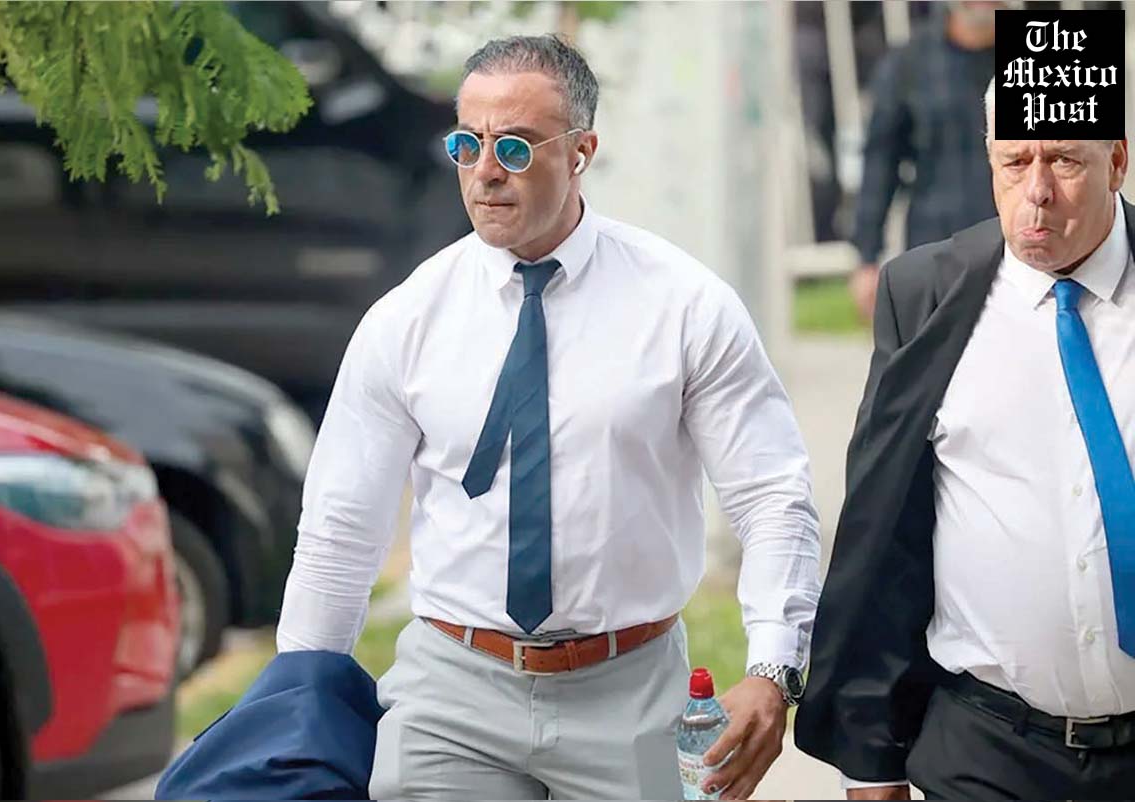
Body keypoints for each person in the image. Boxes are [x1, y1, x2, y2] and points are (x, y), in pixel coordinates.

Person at [275, 34, 822, 801]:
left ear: (581, 151)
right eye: (467, 145)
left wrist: (771, 669)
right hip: (450, 696)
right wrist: (292, 710)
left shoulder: (685, 307)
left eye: (515, 146)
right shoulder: (406, 319)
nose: (486, 171)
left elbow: (772, 498)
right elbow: (339, 530)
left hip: (632, 692)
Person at [796, 77, 1135, 799]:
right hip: (988, 746)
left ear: (1117, 162)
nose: (1037, 191)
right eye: (1015, 162)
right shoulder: (925, 294)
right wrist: (871, 755)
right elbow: (884, 528)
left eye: (1064, 160)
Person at [848, 1, 1005, 321]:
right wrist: (867, 258)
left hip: (1020, 246)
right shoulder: (909, 62)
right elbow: (880, 162)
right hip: (938, 245)